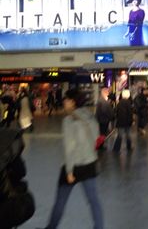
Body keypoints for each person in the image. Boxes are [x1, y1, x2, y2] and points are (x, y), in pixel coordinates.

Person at [38, 88, 103, 229]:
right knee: (93, 201)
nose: (64, 102)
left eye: (66, 99)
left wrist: (69, 171)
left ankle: (50, 228)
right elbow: (97, 140)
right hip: (90, 164)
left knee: (60, 201)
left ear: (73, 102)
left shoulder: (69, 120)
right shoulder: (91, 116)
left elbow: (69, 147)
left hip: (73, 166)